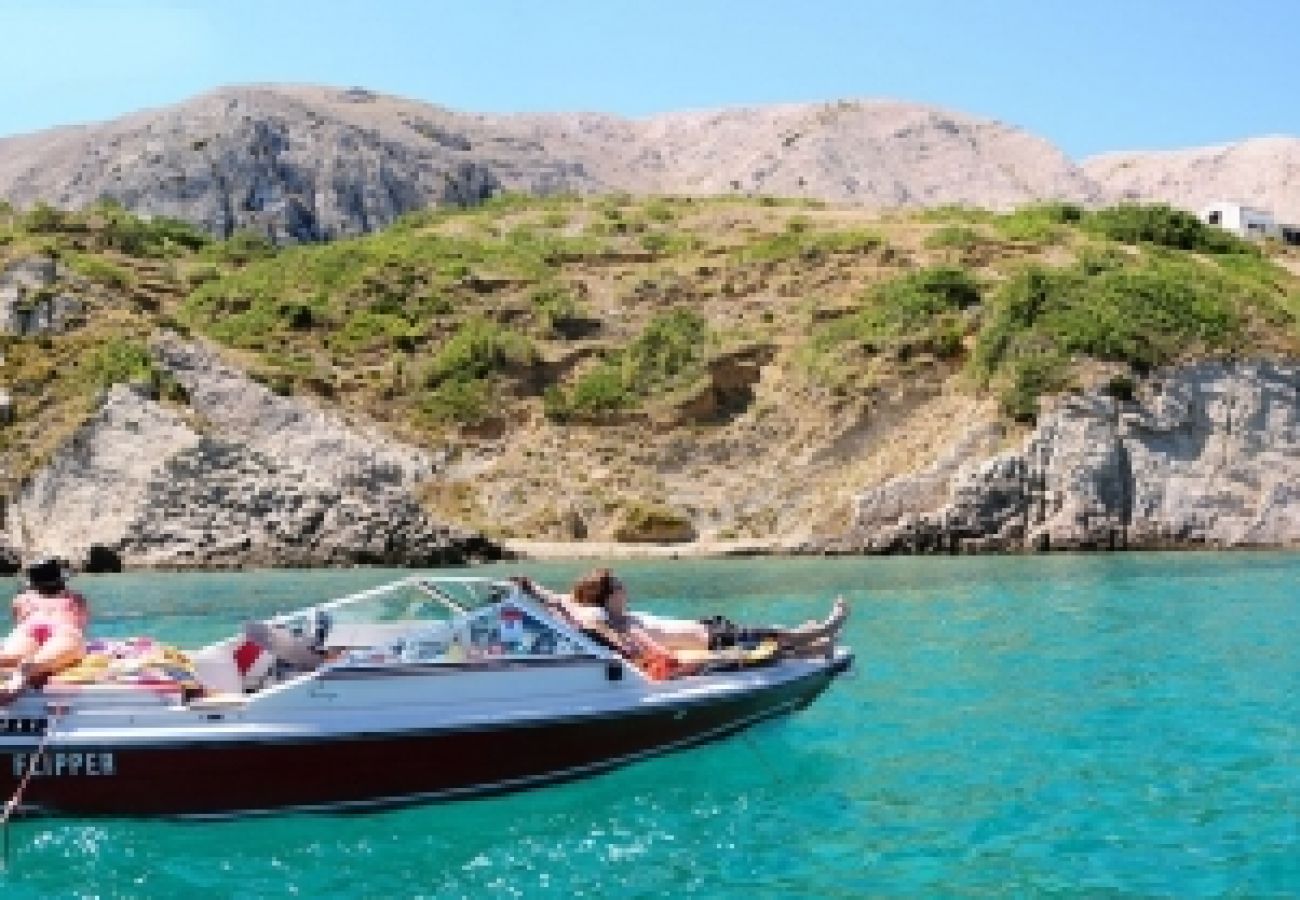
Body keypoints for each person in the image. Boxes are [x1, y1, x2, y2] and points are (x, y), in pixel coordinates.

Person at [513, 569, 847, 672]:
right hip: (709, 640)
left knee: (775, 640)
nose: (626, 588)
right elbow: (578, 611)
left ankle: (817, 645)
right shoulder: (612, 620)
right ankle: (824, 631)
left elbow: (559, 599)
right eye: (619, 586)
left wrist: (529, 587)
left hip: (705, 626)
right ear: (608, 595)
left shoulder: (618, 614)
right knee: (775, 636)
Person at [0, 557, 89, 701]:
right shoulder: (76, 598)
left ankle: (19, 673)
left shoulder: (22, 599)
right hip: (64, 628)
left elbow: (19, 620)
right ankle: (25, 673)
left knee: (7, 658)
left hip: (30, 627)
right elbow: (82, 624)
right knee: (37, 662)